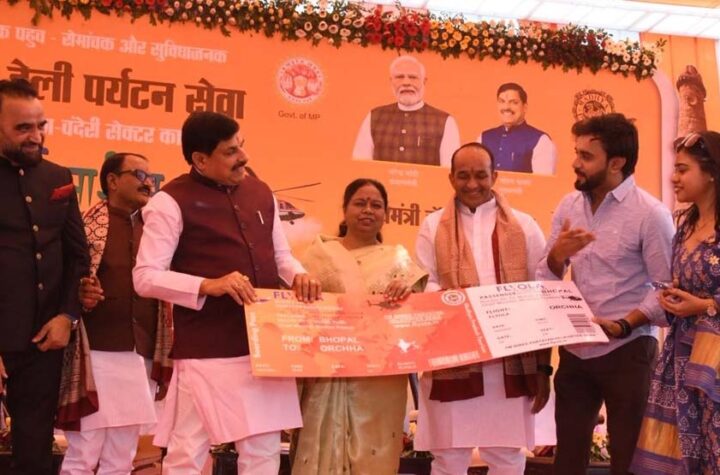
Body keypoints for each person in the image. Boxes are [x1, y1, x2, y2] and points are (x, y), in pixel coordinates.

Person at [133, 111, 321, 474]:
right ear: (200, 159)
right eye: (230, 151)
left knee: (263, 453)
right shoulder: (170, 202)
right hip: (207, 350)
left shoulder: (261, 192)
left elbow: (281, 256)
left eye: (242, 146)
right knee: (188, 453)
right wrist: (207, 285)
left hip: (265, 346)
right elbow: (145, 276)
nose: (243, 157)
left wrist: (299, 276)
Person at [536, 113, 674, 474]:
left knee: (629, 460)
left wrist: (625, 325)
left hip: (628, 350)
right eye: (576, 153)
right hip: (575, 350)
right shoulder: (569, 206)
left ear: (617, 163)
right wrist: (557, 256)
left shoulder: (651, 214)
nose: (575, 163)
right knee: (567, 462)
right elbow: (544, 280)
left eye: (586, 156)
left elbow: (667, 290)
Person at [414, 143, 551, 475]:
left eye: (480, 175)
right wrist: (463, 304)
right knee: (448, 457)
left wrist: (543, 369)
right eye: (463, 176)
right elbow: (423, 285)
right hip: (452, 359)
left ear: (495, 176)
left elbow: (540, 292)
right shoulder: (433, 225)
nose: (472, 184)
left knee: (507, 456)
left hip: (509, 361)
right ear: (451, 178)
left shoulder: (524, 225)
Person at [291, 178, 428, 475]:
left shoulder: (400, 261)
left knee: (373, 455)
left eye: (376, 205)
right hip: (326, 372)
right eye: (360, 203)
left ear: (386, 214)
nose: (368, 210)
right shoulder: (317, 255)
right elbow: (298, 311)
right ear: (345, 209)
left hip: (378, 379)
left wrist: (405, 292)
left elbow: (415, 319)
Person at [60, 152, 172, 475]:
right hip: (96, 352)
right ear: (112, 180)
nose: (148, 183)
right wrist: (79, 293)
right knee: (83, 455)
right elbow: (62, 278)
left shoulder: (156, 230)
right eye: (139, 175)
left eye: (151, 177)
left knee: (122, 457)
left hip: (142, 352)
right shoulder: (83, 226)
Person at [0, 78, 89, 474]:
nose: (36, 136)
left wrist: (66, 316)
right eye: (23, 128)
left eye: (41, 126)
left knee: (34, 450)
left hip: (42, 338)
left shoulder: (58, 177)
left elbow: (77, 257)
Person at [628, 131, 720, 474]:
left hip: (716, 360)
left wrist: (705, 305)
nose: (673, 177)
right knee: (685, 450)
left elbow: (703, 299)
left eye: (683, 169)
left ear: (711, 173)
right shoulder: (684, 225)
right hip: (683, 355)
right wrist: (672, 298)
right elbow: (678, 283)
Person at [353, 55, 461, 167]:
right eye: (399, 77)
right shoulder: (374, 117)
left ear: (424, 81)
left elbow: (449, 169)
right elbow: (361, 165)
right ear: (391, 81)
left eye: (413, 77)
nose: (406, 82)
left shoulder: (445, 121)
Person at [479, 83, 557, 175]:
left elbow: (542, 183)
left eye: (514, 102)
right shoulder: (483, 138)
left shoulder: (541, 141)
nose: (506, 107)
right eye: (502, 101)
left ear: (525, 107)